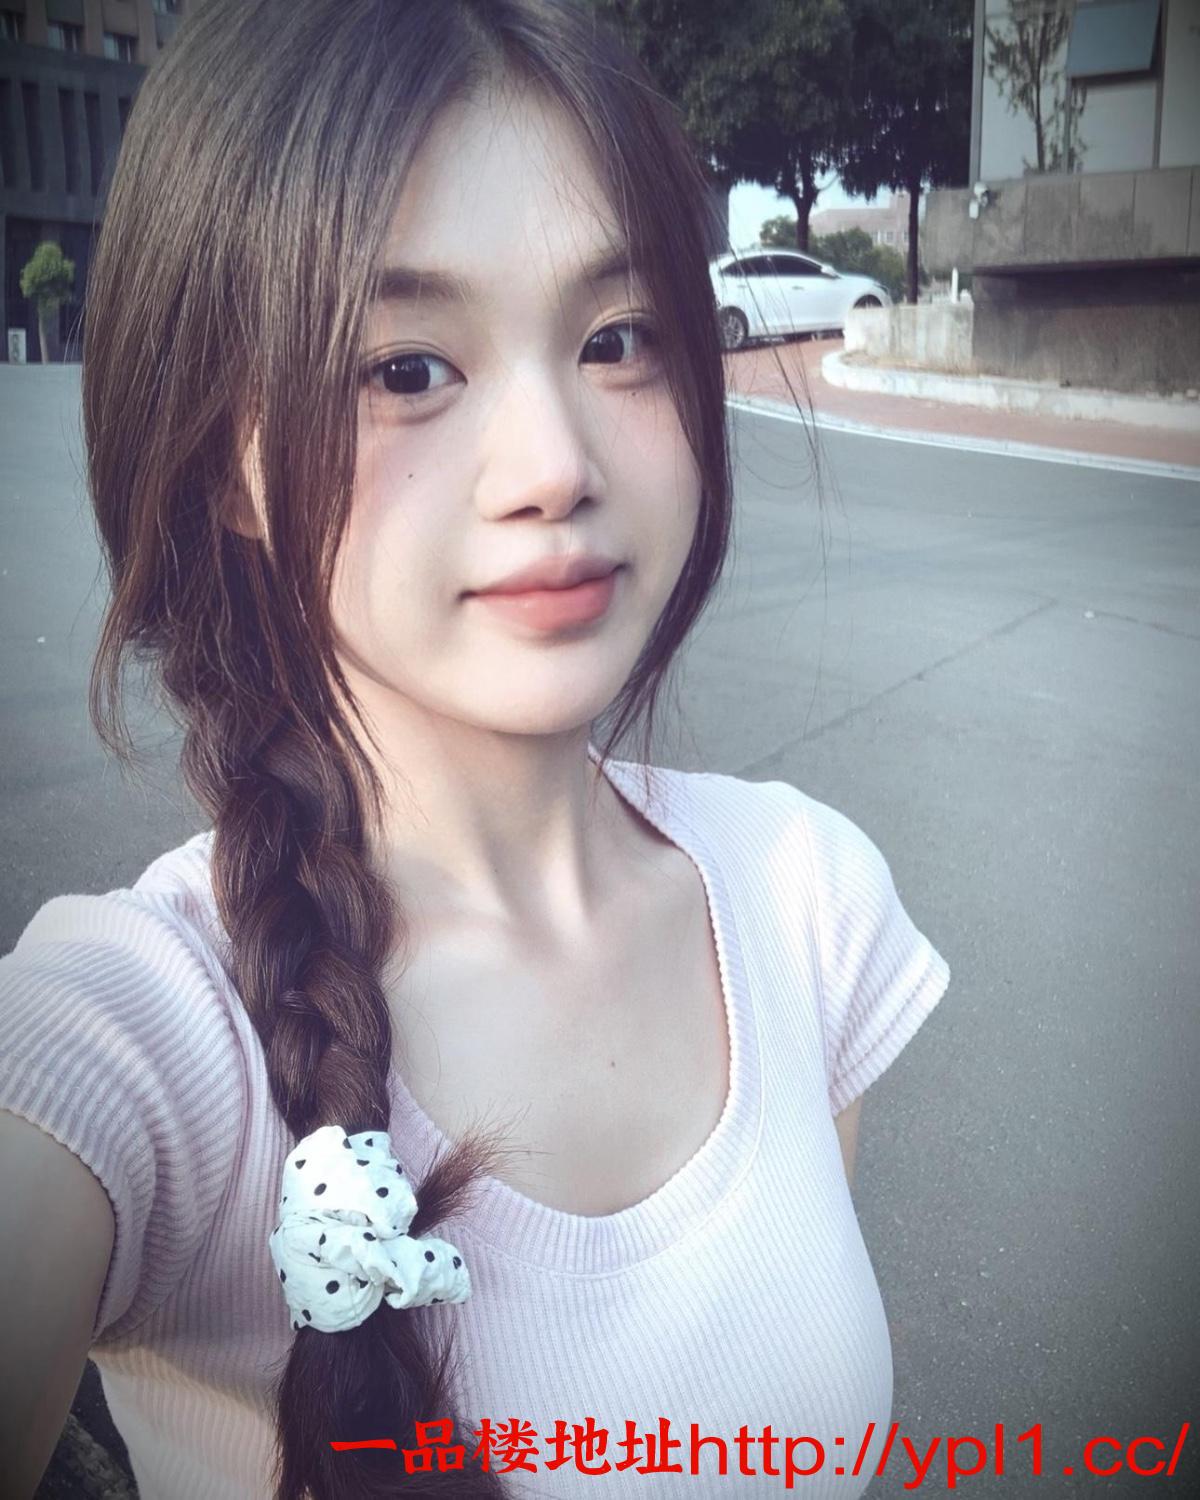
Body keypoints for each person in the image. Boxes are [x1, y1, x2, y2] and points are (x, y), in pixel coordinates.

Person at [0, 1, 951, 1497]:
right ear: (226, 463)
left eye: (616, 340)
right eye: (405, 370)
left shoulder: (804, 899)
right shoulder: (141, 1032)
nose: (555, 466)